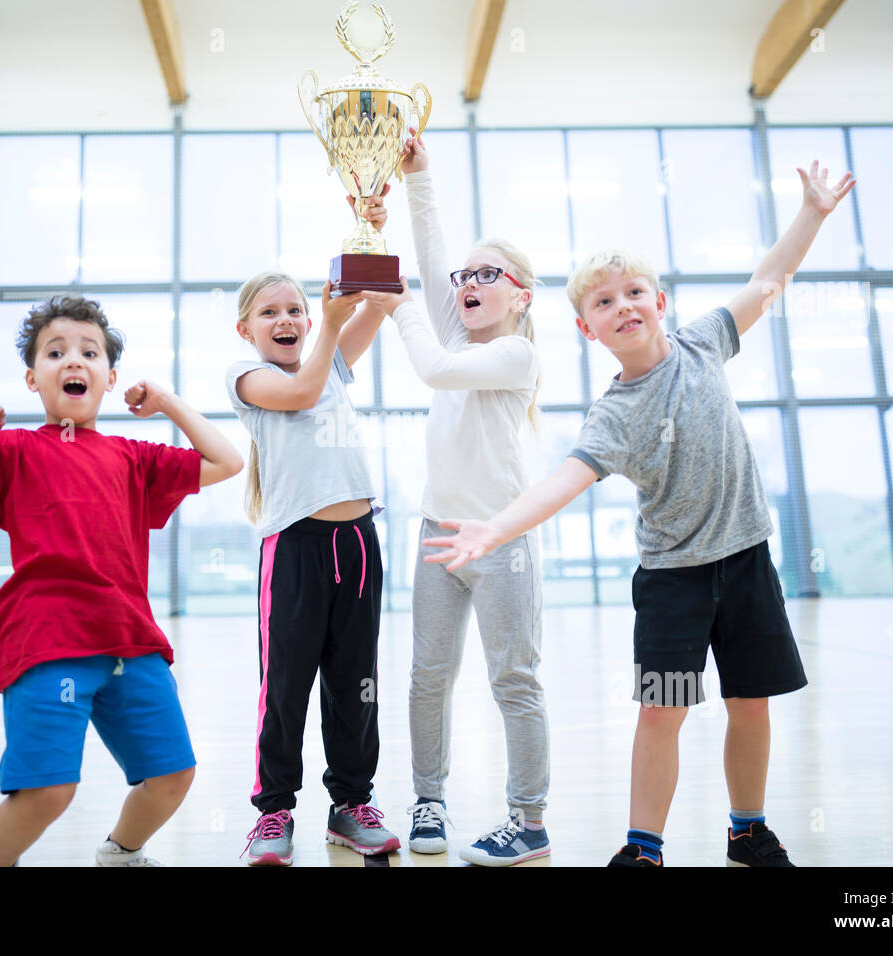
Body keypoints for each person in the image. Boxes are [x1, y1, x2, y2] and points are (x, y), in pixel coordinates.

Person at [423, 161, 855, 867]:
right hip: (672, 583)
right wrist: (497, 527)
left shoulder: (703, 342)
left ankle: (748, 830)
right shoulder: (614, 415)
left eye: (633, 293)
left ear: (659, 301)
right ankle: (643, 847)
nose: (621, 305)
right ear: (587, 328)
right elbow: (564, 479)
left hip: (746, 563)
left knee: (751, 703)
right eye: (602, 302)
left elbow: (768, 280)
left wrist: (811, 213)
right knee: (663, 712)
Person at [0, 294, 242, 867]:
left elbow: (227, 461)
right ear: (33, 379)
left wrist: (167, 403)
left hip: (130, 640)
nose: (74, 361)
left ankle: (121, 854)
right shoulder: (12, 450)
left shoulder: (133, 456)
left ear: (108, 378)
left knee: (172, 775)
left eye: (90, 352)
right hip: (46, 640)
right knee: (49, 791)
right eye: (56, 353)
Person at [358, 129, 551, 867]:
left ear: (519, 295)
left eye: (487, 274)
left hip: (500, 538)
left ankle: (528, 821)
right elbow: (435, 254)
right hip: (439, 534)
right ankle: (428, 801)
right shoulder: (461, 325)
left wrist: (400, 302)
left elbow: (434, 370)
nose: (467, 282)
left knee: (515, 679)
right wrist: (419, 176)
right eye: (466, 276)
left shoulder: (515, 353)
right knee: (427, 675)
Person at [227, 263, 400, 866]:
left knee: (357, 684)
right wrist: (329, 322)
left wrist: (371, 237)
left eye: (296, 309)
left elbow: (377, 308)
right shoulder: (247, 376)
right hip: (296, 548)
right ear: (245, 328)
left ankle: (351, 804)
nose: (287, 320)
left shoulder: (329, 363)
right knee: (286, 687)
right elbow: (300, 392)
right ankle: (273, 812)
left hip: (357, 542)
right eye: (270, 312)